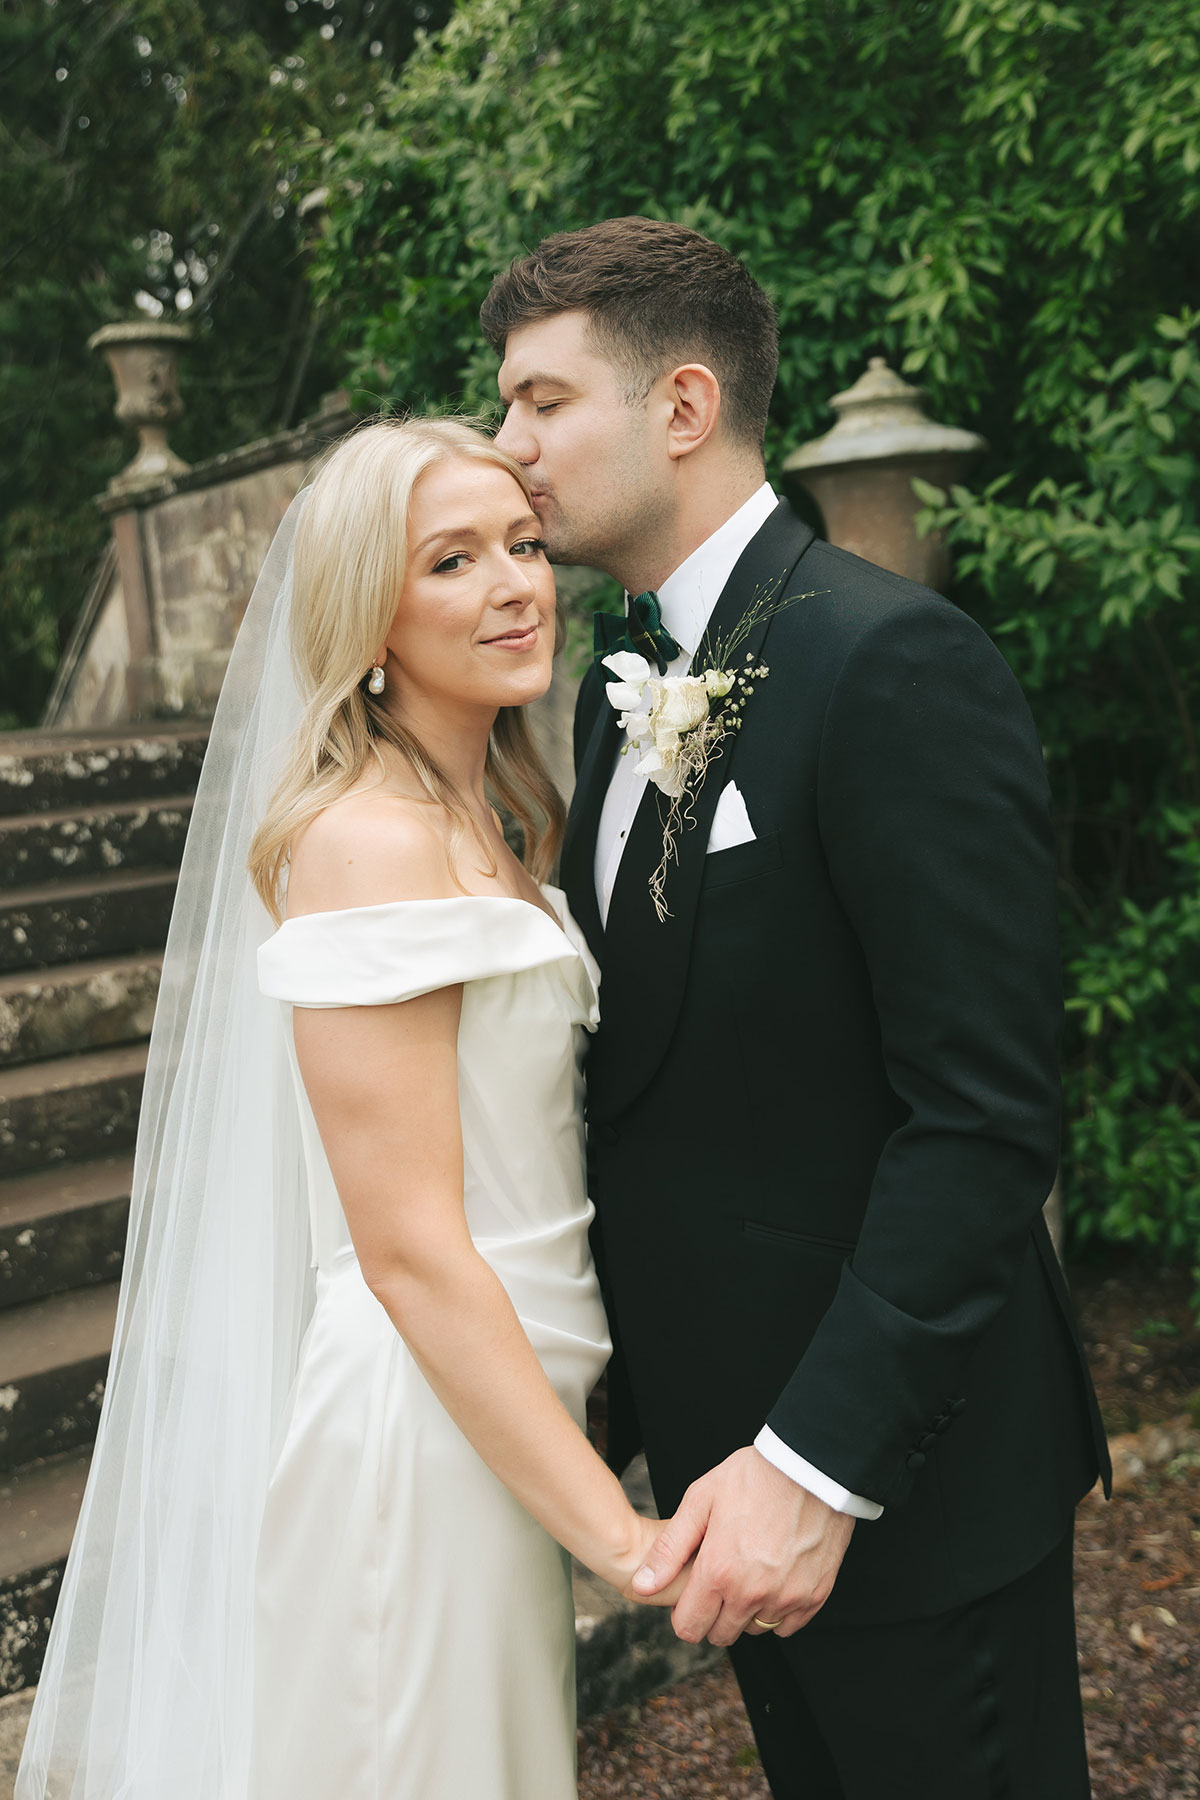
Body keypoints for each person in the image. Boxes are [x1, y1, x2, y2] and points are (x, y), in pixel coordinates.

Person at [485, 216, 1113, 1800]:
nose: (509, 449)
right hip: (725, 1478)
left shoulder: (894, 661)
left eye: (542, 401)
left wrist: (814, 1465)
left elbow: (982, 1120)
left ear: (683, 408)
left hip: (900, 1483)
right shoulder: (612, 690)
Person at [16, 419, 678, 1800]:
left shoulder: (499, 812)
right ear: (368, 618)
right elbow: (411, 1249)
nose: (516, 585)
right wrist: (623, 1539)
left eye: (522, 545)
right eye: (453, 561)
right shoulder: (368, 837)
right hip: (425, 1430)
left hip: (508, 1414)